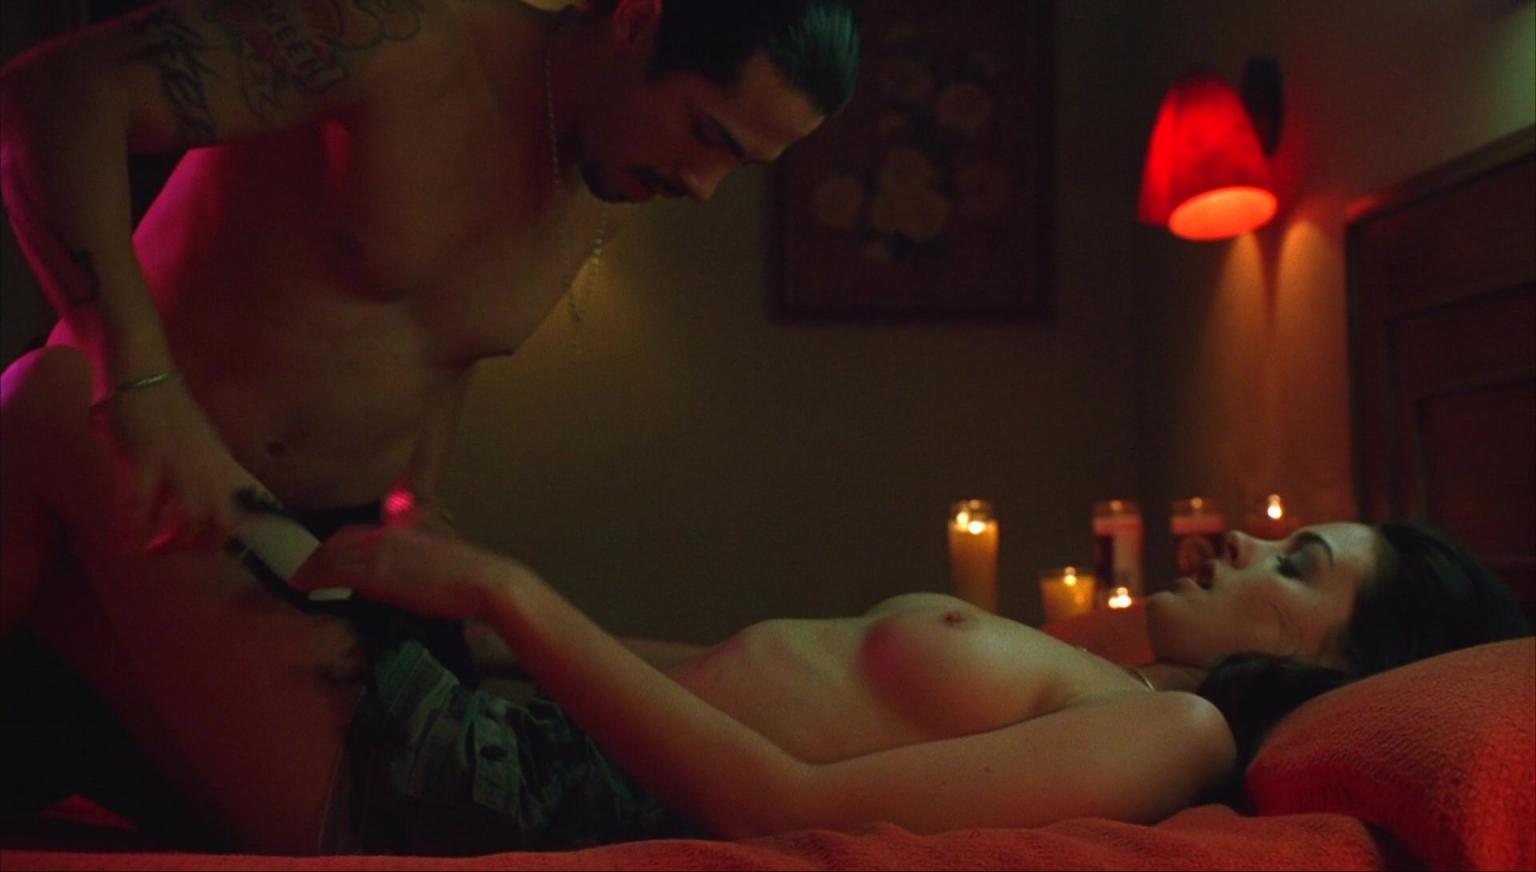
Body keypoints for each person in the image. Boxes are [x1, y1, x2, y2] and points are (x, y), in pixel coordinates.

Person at [9, 340, 1526, 855]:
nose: (1245, 542)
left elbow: (780, 799)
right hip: (488, 719)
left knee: (66, 399)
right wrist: (472, 618)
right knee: (63, 585)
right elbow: (748, 675)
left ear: (1346, 659)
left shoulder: (1177, 740)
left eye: (1297, 566)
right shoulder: (1113, 681)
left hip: (482, 786)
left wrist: (516, 598)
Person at [0, 0, 858, 833]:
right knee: (46, 398)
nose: (703, 187)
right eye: (706, 133)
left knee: (422, 794)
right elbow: (56, 96)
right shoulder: (391, 37)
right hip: (148, 495)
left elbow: (445, 335)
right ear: (637, 21)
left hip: (329, 557)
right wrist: (139, 384)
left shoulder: (616, 173)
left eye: (740, 165)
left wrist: (421, 501)